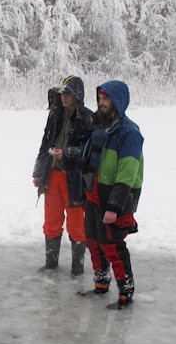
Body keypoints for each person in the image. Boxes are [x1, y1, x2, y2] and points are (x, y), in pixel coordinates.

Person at [81, 80, 144, 309]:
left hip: (114, 200)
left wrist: (114, 206)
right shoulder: (100, 127)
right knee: (93, 241)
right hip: (94, 196)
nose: (101, 103)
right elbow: (90, 159)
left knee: (113, 245)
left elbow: (128, 173)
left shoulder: (129, 133)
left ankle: (126, 292)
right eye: (99, 98)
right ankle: (101, 283)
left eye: (105, 99)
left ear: (117, 101)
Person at [32, 75, 94, 276]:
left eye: (67, 93)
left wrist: (67, 153)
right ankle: (51, 264)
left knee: (76, 224)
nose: (64, 97)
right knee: (51, 221)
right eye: (61, 94)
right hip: (52, 175)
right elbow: (44, 144)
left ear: (77, 95)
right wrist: (38, 171)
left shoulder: (87, 118)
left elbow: (90, 150)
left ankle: (77, 269)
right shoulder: (54, 115)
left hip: (74, 179)